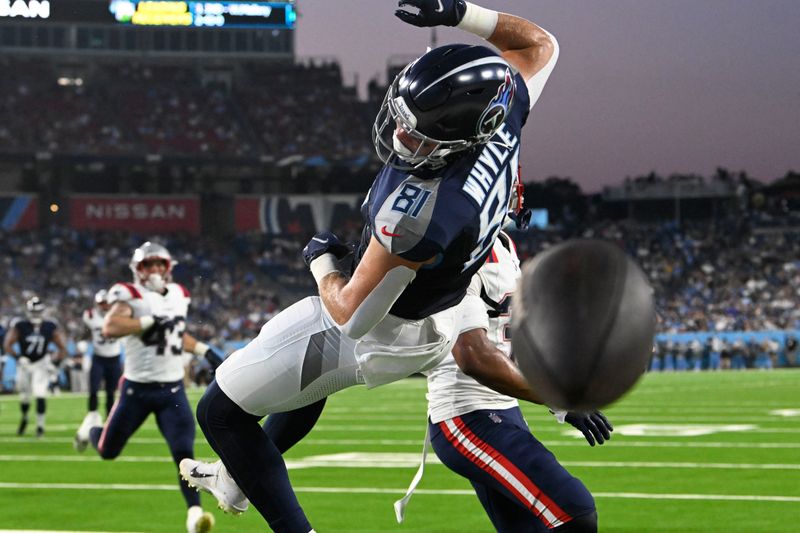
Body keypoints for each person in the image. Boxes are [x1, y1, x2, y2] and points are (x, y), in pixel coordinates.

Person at [181, 2, 560, 531]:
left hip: (383, 330)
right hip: (442, 314)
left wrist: (323, 264)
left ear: (460, 137)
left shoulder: (420, 209)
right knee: (306, 377)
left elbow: (349, 317)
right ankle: (238, 475)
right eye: (404, 119)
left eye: (420, 133)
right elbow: (541, 45)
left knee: (219, 412)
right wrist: (458, 12)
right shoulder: (501, 118)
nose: (402, 136)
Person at [416, 232, 611, 531]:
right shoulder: (458, 250)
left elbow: (508, 340)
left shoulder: (503, 244)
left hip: (505, 411)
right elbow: (473, 358)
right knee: (575, 510)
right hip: (464, 414)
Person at [74, 242, 222, 533]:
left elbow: (175, 335)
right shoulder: (129, 294)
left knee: (184, 453)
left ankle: (194, 514)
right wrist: (145, 321)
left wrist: (205, 350)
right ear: (138, 270)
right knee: (107, 450)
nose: (154, 270)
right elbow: (111, 327)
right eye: (148, 265)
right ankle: (90, 426)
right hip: (136, 391)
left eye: (159, 265)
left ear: (167, 267)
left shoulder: (179, 294)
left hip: (171, 391)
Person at [3, 296, 67, 437]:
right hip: (25, 364)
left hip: (41, 364)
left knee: (40, 394)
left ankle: (40, 426)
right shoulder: (20, 325)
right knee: (25, 397)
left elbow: (62, 347)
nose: (36, 314)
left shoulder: (49, 326)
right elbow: (7, 344)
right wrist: (19, 357)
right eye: (34, 311)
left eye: (38, 311)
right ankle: (25, 418)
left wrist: (55, 363)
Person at [73, 289, 123, 450]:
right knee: (93, 390)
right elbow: (84, 332)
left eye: (106, 302)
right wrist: (82, 343)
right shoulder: (90, 315)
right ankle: (92, 418)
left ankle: (109, 424)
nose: (105, 306)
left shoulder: (120, 315)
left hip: (114, 359)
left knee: (110, 393)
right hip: (98, 358)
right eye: (102, 303)